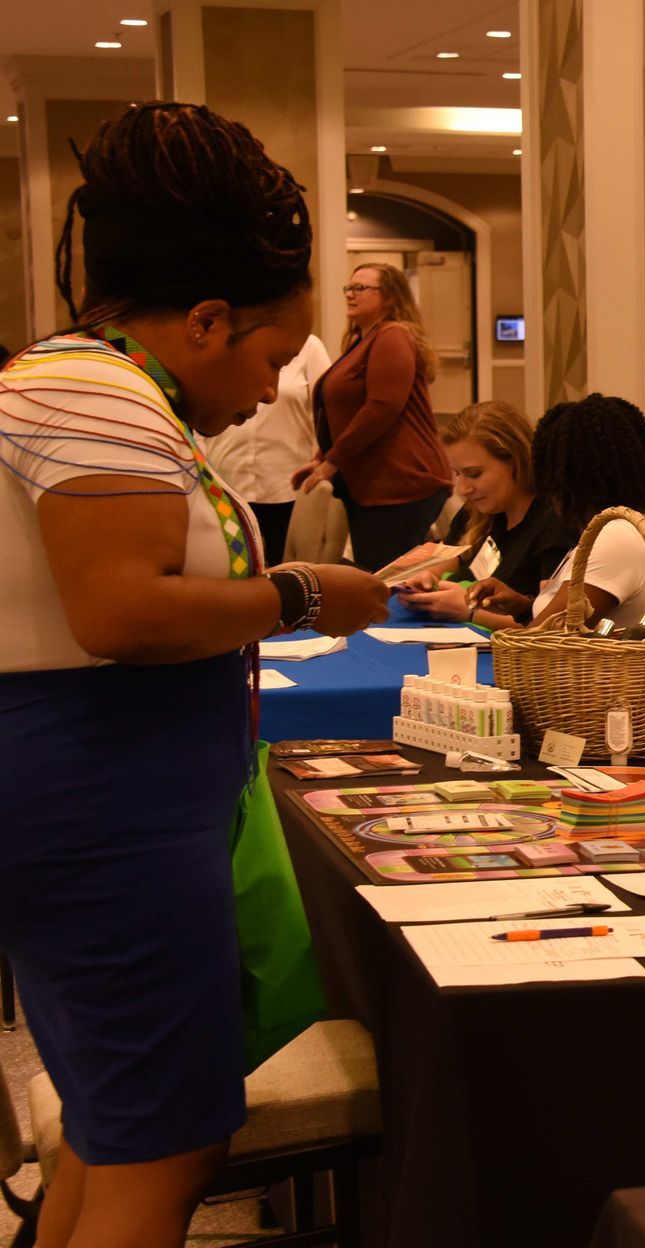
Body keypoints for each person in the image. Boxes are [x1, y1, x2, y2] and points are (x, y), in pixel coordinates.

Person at [0, 102, 388, 1248]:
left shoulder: (99, 389)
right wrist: (304, 595)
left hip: (106, 804)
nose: (274, 390)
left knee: (119, 1130)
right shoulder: (91, 391)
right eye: (273, 356)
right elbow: (119, 610)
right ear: (209, 318)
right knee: (164, 1145)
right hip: (100, 810)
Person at [293, 262, 451, 572]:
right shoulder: (363, 341)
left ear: (390, 297)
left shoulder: (393, 335)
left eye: (361, 288)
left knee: (386, 584)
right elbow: (345, 411)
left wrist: (333, 461)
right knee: (376, 576)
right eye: (349, 288)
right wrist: (323, 456)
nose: (351, 294)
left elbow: (382, 406)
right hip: (373, 486)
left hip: (401, 484)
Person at [470, 392, 645, 630]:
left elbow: (541, 641)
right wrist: (523, 605)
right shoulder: (606, 530)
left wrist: (468, 613)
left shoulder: (614, 537)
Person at [394, 400, 575, 630]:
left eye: (474, 474)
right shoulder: (479, 510)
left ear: (515, 460)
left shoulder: (556, 523)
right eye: (457, 474)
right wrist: (426, 578)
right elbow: (451, 556)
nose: (463, 488)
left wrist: (469, 612)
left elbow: (548, 628)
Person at [201, 332, 329, 565]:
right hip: (228, 483)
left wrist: (324, 458)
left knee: (283, 572)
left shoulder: (309, 347)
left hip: (285, 485)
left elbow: (327, 408)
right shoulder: (225, 342)